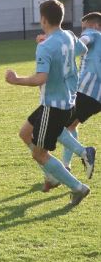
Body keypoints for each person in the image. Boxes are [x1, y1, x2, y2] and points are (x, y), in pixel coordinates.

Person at [5, 0, 92, 207]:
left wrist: (16, 80)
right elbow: (82, 50)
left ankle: (77, 187)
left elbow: (40, 78)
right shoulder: (69, 36)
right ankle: (56, 172)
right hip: (66, 101)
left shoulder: (45, 47)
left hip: (53, 106)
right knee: (25, 133)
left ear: (43, 19)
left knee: (39, 153)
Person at [52, 12, 101, 188]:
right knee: (71, 126)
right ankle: (66, 166)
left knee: (56, 126)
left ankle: (83, 154)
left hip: (86, 90)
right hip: (97, 98)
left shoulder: (93, 34)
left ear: (95, 26)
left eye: (84, 27)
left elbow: (81, 44)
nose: (83, 31)